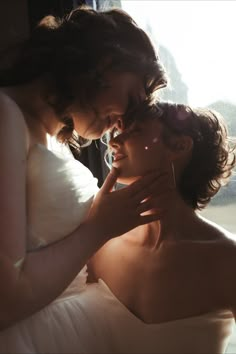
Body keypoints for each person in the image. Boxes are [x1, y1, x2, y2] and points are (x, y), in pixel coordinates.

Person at [0, 5, 169, 353]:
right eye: (132, 99)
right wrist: (99, 227)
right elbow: (5, 299)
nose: (124, 121)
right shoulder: (5, 117)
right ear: (105, 62)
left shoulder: (54, 140)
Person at [89, 100, 236, 354]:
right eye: (118, 131)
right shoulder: (101, 244)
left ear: (179, 146)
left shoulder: (227, 259)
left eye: (134, 131)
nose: (114, 142)